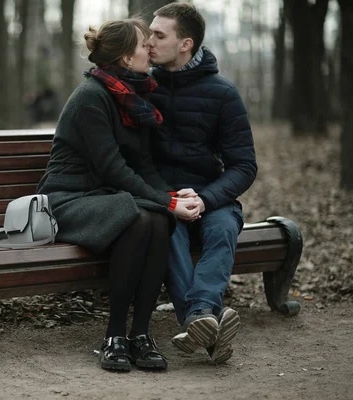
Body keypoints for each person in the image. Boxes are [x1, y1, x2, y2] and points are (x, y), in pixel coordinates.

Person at [37, 18, 201, 372]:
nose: (150, 50)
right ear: (127, 58)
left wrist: (171, 199)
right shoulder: (91, 98)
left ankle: (141, 335)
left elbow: (142, 165)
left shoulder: (134, 98)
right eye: (144, 45)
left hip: (106, 196)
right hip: (68, 199)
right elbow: (113, 168)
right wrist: (168, 202)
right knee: (139, 217)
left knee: (157, 219)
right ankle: (114, 336)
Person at [147, 2, 257, 364]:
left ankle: (200, 319)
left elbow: (243, 165)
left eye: (159, 35)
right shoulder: (142, 90)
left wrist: (207, 199)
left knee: (224, 227)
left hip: (211, 197)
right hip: (162, 197)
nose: (148, 42)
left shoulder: (223, 94)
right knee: (167, 229)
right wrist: (169, 197)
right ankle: (203, 321)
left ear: (185, 44)